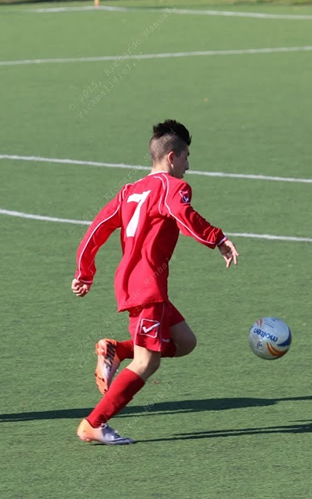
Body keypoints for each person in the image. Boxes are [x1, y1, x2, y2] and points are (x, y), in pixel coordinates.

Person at [72, 119, 239, 445]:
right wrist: (217, 238)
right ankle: (94, 423)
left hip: (136, 283)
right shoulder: (172, 187)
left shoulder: (129, 191)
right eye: (187, 157)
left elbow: (97, 228)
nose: (188, 166)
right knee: (147, 361)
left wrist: (84, 272)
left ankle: (116, 350)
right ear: (172, 157)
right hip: (146, 285)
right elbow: (183, 215)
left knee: (185, 342)